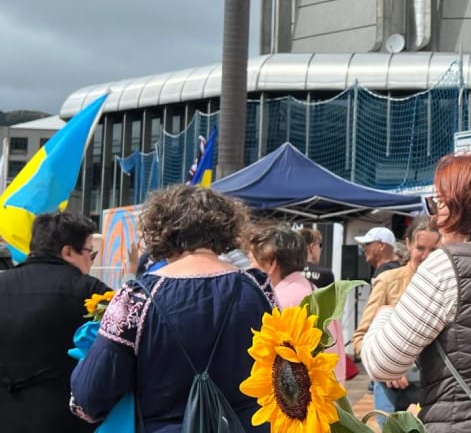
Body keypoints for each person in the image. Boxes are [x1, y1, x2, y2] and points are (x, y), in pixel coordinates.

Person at [70, 185, 276, 432]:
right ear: (226, 227)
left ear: (160, 231)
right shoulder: (258, 287)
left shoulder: (135, 298)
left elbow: (88, 400)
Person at [361, 151, 471, 433]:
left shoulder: (449, 265)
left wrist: (386, 314)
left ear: (463, 206)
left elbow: (382, 362)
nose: (435, 218)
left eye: (439, 204)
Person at [0, 212, 109, 433]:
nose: (91, 260)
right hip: (66, 419)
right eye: (91, 252)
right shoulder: (91, 292)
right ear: (68, 251)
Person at [351, 216, 441, 421]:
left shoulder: (446, 284)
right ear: (408, 244)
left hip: (433, 390)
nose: (426, 256)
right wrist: (388, 367)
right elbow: (360, 339)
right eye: (420, 248)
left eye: (434, 250)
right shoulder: (389, 281)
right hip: (393, 394)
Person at [248, 223, 348, 382]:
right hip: (327, 393)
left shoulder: (276, 302)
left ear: (271, 263)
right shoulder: (315, 292)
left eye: (252, 260)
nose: (249, 267)